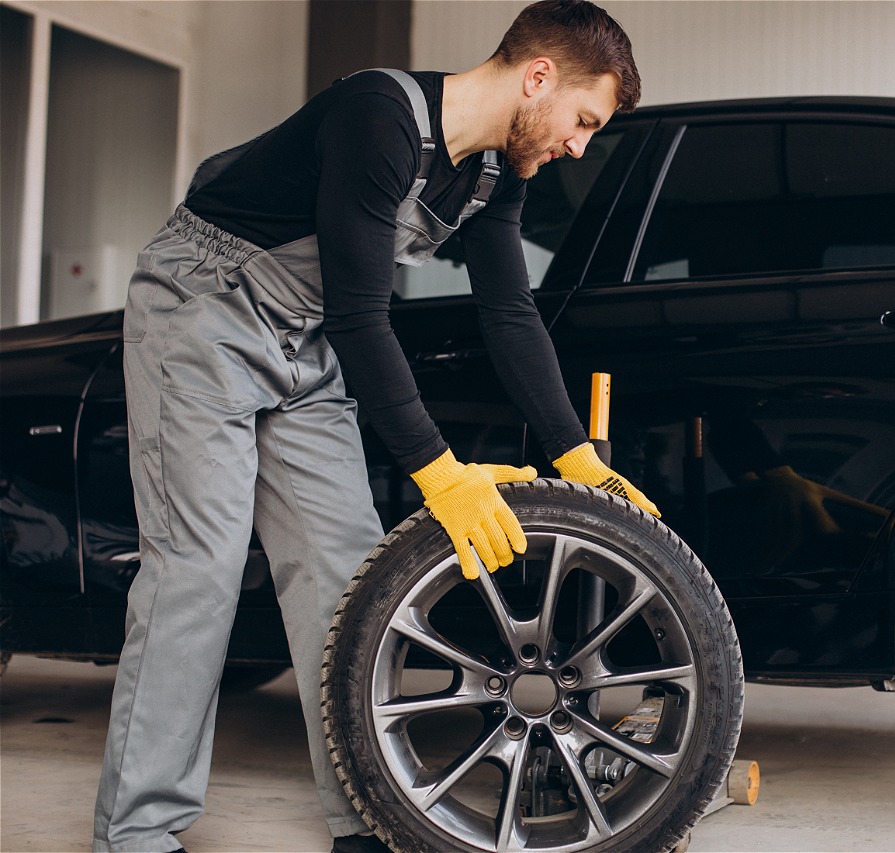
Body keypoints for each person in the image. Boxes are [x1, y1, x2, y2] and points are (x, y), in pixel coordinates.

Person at [91, 2, 655, 851]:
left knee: (347, 578)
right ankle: (136, 830)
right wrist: (441, 473)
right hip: (203, 310)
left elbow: (509, 313)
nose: (579, 145)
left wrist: (574, 453)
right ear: (538, 77)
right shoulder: (379, 116)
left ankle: (363, 815)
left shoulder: (495, 173)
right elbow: (362, 317)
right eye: (583, 121)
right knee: (197, 572)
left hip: (302, 335)